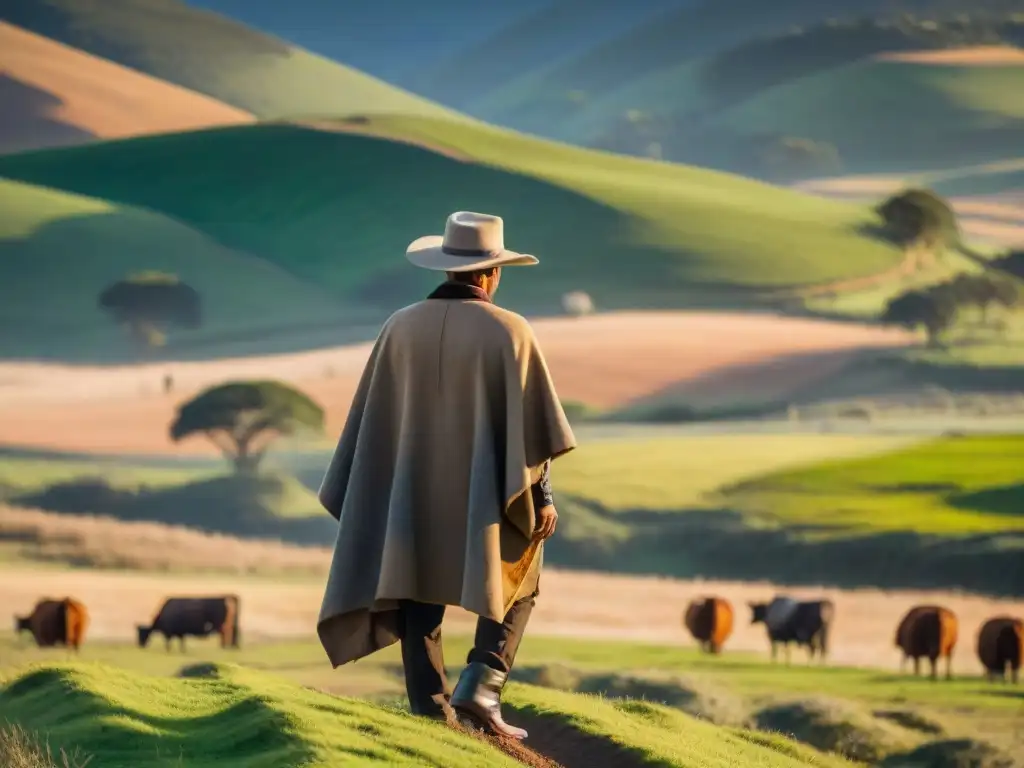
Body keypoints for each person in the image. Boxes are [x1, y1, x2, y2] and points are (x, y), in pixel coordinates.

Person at [316, 211, 576, 740]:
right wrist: (542, 498)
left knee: (413, 584)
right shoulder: (511, 330)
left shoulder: (399, 326)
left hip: (407, 495)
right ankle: (481, 685)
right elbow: (533, 434)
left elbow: (373, 424)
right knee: (522, 572)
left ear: (449, 268)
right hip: (483, 500)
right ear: (492, 273)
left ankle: (430, 706)